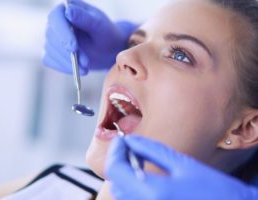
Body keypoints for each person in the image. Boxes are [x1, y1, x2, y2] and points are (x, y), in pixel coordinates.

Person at [42, 0, 258, 199]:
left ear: (245, 128)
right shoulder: (53, 182)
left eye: (180, 55)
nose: (123, 56)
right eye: (133, 42)